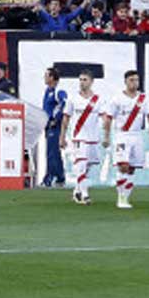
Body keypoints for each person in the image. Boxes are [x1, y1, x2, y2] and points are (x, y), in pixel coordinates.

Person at [103, 70, 149, 210]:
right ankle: (120, 197)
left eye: (136, 80)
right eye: (131, 80)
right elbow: (108, 117)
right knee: (123, 165)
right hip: (122, 135)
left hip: (137, 135)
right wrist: (106, 135)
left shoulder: (143, 99)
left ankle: (126, 196)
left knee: (132, 168)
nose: (134, 83)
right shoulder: (117, 99)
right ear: (126, 81)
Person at [64, 71, 105, 204]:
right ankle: (85, 195)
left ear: (92, 81)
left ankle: (77, 191)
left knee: (88, 166)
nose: (82, 82)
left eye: (85, 80)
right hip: (78, 136)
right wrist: (62, 136)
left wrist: (106, 133)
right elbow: (66, 117)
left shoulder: (98, 100)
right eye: (80, 79)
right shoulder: (72, 98)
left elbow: (104, 117)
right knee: (80, 164)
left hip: (93, 137)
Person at [40, 67, 67, 187]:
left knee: (52, 152)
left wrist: (56, 119)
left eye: (46, 75)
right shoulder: (48, 90)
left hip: (55, 126)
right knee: (53, 152)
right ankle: (60, 177)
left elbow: (65, 103)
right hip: (48, 125)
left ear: (52, 77)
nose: (44, 78)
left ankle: (49, 179)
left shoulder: (58, 90)